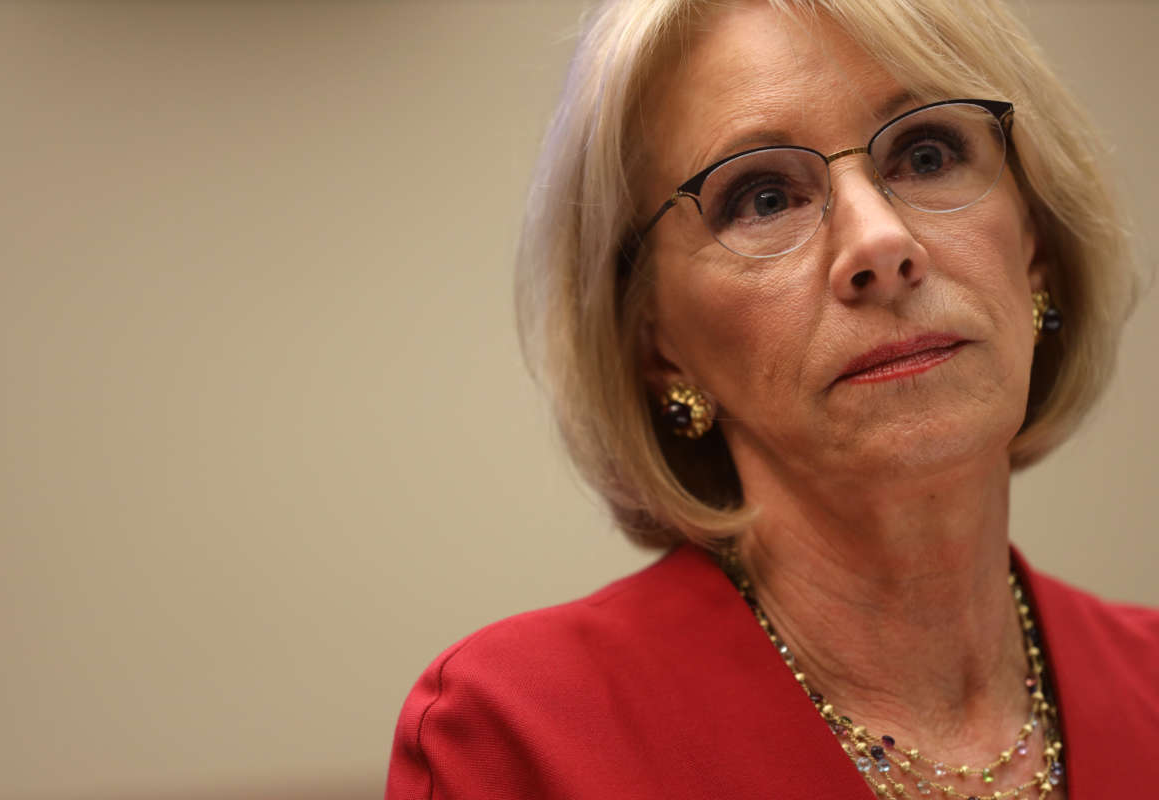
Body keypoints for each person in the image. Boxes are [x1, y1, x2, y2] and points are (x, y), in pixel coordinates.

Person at [386, 0, 1158, 797]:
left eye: (926, 154)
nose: (881, 243)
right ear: (656, 341)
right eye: (762, 197)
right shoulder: (519, 738)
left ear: (1033, 242)